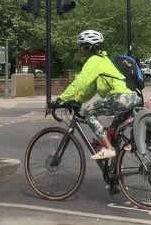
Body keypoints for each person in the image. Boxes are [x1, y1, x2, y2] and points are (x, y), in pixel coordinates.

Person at [57, 30, 142, 160]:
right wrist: (77, 100)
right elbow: (90, 88)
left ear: (87, 46)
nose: (81, 50)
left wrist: (61, 99)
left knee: (89, 112)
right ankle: (116, 172)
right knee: (113, 133)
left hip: (122, 97)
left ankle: (108, 148)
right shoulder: (104, 60)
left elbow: (80, 81)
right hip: (133, 97)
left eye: (81, 46)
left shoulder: (95, 60)